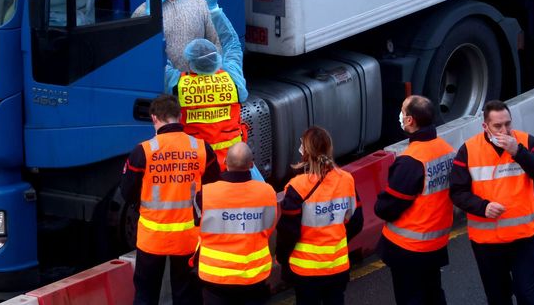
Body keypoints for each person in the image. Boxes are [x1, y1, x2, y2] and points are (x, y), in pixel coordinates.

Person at [450, 99, 534, 305]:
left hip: (524, 239)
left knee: (530, 297)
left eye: (508, 124)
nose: (504, 130)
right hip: (487, 244)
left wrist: (519, 152)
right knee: (498, 299)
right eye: (497, 126)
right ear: (485, 126)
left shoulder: (528, 142)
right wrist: (483, 207)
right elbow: (457, 192)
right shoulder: (468, 150)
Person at [119, 94, 220, 305]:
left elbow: (127, 191)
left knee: (146, 294)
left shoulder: (143, 151)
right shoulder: (201, 148)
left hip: (152, 237)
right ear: (180, 116)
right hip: (189, 237)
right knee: (186, 295)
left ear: (154, 118)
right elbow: (214, 187)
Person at [165, 0, 256, 178]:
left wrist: (151, 18)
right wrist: (214, 9)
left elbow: (156, 61)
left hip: (197, 167)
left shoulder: (178, 84)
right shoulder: (232, 78)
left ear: (189, 62)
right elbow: (232, 43)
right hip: (234, 164)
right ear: (217, 59)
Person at [374, 95, 456, 305]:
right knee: (434, 294)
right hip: (436, 243)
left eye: (403, 111)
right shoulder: (447, 150)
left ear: (410, 121)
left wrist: (379, 205)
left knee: (410, 298)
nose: (400, 115)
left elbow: (388, 207)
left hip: (408, 248)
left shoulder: (411, 160)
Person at [276, 126, 364, 305]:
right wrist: (336, 243)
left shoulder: (297, 187)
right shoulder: (346, 179)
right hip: (337, 267)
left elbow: (288, 232)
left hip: (306, 272)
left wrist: (283, 257)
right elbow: (356, 221)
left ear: (305, 152)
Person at [193, 142, 278, 305]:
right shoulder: (267, 192)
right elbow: (269, 228)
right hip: (254, 276)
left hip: (215, 277)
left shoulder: (206, 194)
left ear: (224, 162)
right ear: (251, 165)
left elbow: (197, 222)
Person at [133, 0, 220, 71]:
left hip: (198, 85)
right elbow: (138, 54)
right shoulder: (142, 11)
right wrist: (148, 17)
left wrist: (217, 71)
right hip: (162, 85)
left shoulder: (199, 3)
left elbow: (216, 42)